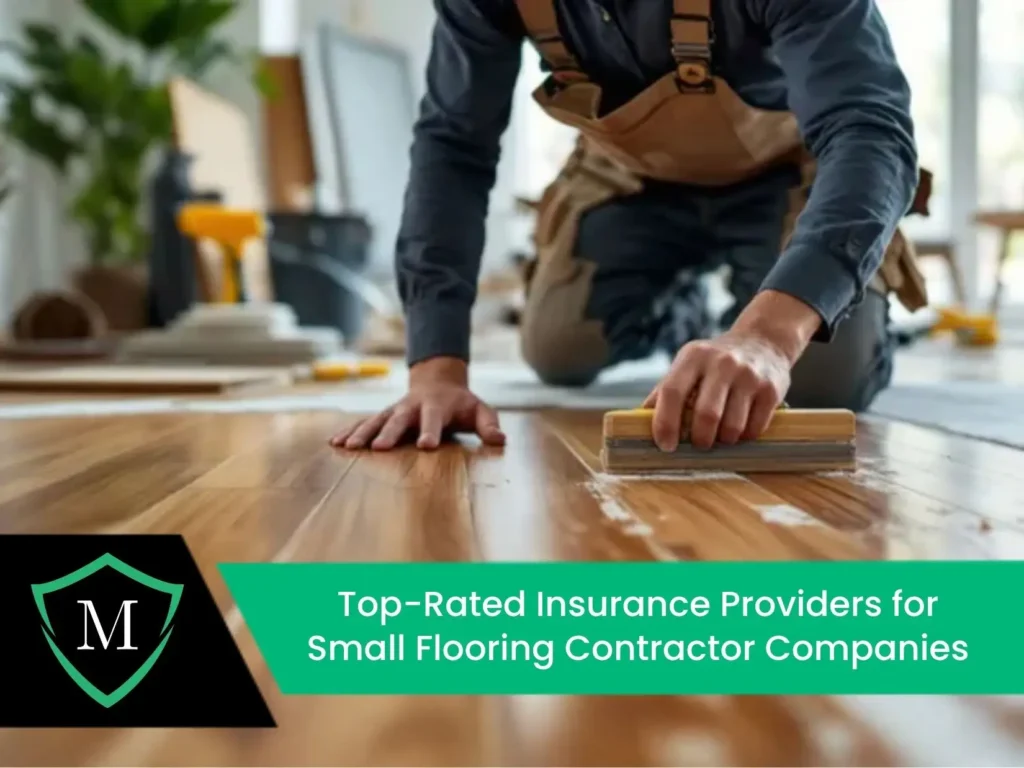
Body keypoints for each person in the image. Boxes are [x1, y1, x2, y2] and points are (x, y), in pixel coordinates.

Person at [331, 0, 929, 454]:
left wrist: (769, 336)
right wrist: (435, 370)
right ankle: (688, 319)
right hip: (631, 179)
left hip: (789, 174)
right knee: (558, 350)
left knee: (821, 378)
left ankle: (804, 316)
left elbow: (869, 129)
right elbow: (455, 147)